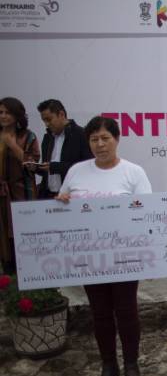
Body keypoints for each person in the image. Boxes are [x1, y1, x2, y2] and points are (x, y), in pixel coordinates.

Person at [57, 116, 152, 376]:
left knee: (126, 310)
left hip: (125, 255)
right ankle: (109, 367)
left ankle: (132, 365)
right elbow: (63, 205)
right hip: (90, 257)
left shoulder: (133, 172)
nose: (100, 144)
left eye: (105, 138)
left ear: (117, 139)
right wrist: (62, 203)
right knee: (99, 313)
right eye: (94, 139)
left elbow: (146, 211)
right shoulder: (76, 171)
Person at [0, 97, 40, 274]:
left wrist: (12, 145)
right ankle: (7, 275)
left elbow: (33, 166)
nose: (3, 116)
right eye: (0, 112)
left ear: (17, 115)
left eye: (7, 112)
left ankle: (27, 274)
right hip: (1, 195)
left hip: (22, 193)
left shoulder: (28, 136)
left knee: (22, 234)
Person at [31, 99, 92, 198]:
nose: (46, 124)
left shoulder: (81, 135)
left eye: (49, 119)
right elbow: (47, 171)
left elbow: (87, 166)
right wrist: (36, 167)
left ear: (61, 114)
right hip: (48, 195)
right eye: (44, 121)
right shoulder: (47, 137)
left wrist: (55, 167)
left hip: (72, 196)